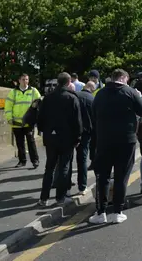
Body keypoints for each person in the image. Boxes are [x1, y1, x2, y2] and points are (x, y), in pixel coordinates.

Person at [89, 69, 142, 225]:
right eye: (127, 79)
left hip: (104, 140)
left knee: (103, 176)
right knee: (122, 176)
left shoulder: (100, 93)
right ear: (123, 78)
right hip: (126, 141)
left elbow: (93, 114)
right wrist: (138, 95)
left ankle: (100, 212)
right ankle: (117, 212)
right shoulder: (130, 92)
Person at [37, 73, 82, 206]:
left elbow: (40, 117)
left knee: (49, 167)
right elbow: (77, 121)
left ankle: (43, 198)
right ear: (69, 82)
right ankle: (60, 197)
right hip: (66, 138)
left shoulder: (48, 98)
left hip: (50, 137)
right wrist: (78, 137)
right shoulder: (72, 98)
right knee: (64, 167)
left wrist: (43, 131)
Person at [5, 74, 41, 169]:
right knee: (19, 142)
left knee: (31, 141)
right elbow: (8, 106)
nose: (25, 81)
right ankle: (22, 161)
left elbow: (39, 104)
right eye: (23, 79)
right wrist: (9, 118)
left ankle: (35, 160)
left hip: (29, 122)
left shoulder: (33, 91)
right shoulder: (13, 92)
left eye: (27, 79)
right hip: (17, 122)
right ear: (19, 80)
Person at [73, 78, 94, 196]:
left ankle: (64, 188)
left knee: (66, 160)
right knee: (82, 159)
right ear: (91, 89)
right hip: (85, 133)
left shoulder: (75, 96)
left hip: (72, 131)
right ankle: (82, 186)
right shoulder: (92, 99)